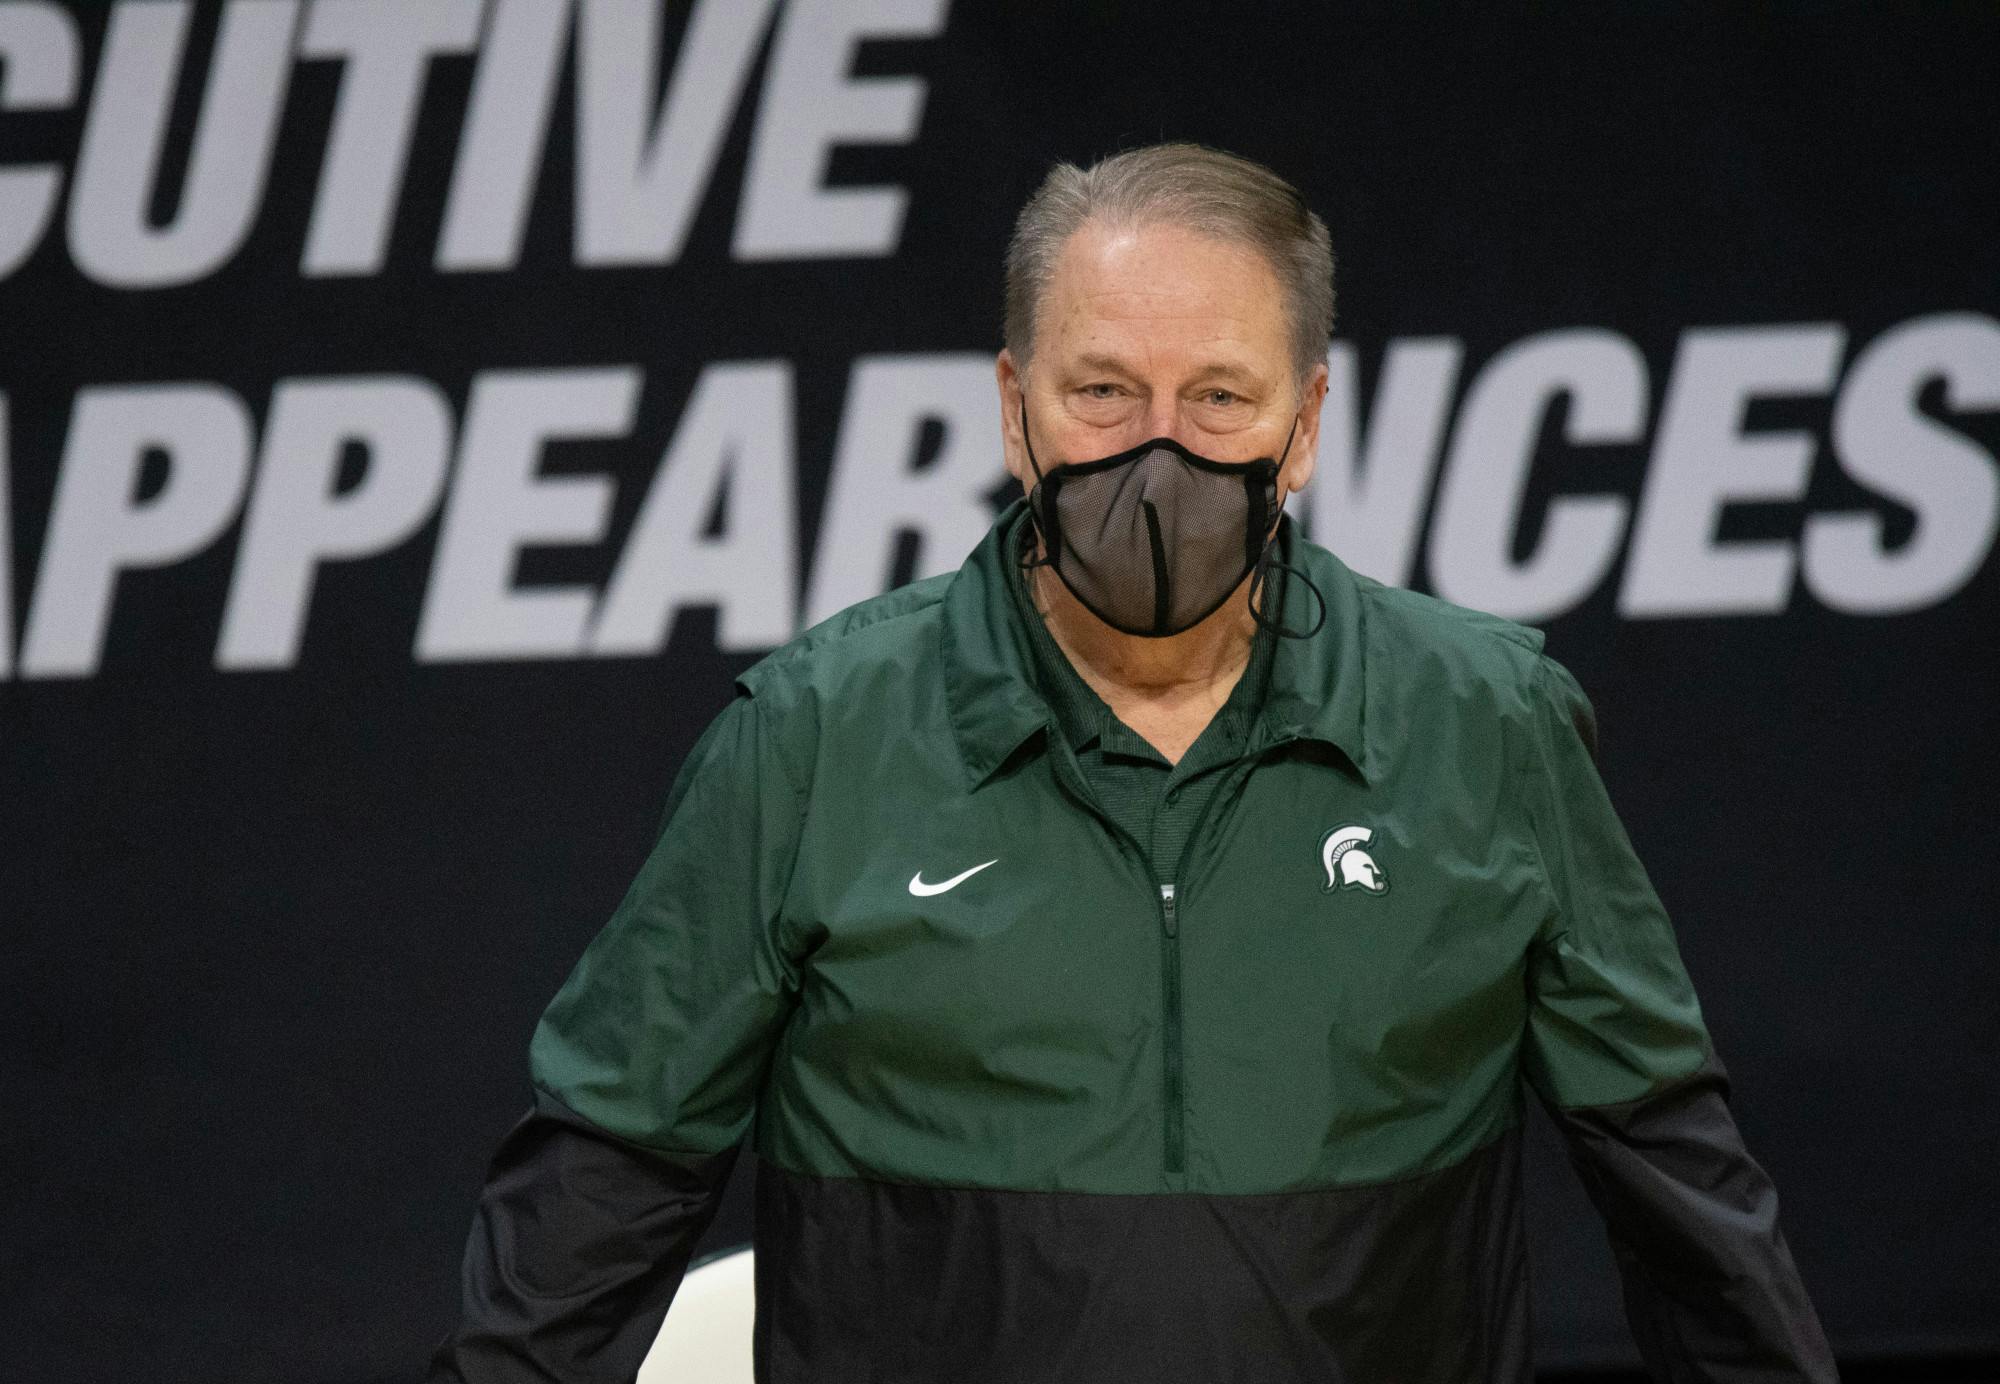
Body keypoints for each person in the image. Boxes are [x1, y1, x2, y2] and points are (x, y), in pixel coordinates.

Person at [428, 142, 1837, 1383]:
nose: (1158, 454)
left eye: (1219, 397)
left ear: (1306, 423)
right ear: (1013, 404)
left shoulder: (1488, 722)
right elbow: (604, 1182)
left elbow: (1672, 1170)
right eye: (1103, 389)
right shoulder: (813, 734)